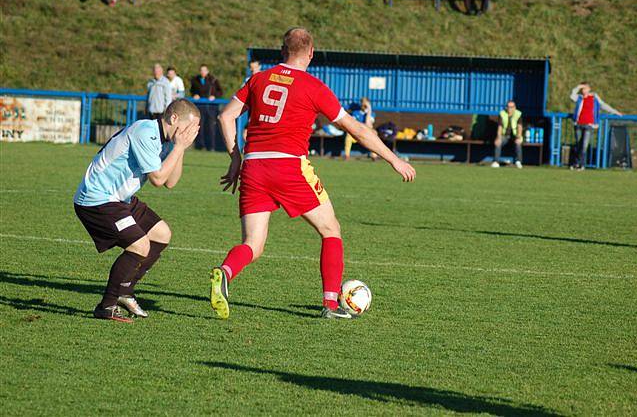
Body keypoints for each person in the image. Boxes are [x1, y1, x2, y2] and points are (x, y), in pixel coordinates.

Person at [211, 27, 416, 320]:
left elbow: (226, 115)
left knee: (253, 245)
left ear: (282, 51)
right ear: (311, 52)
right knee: (330, 230)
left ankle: (225, 271)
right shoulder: (313, 86)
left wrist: (235, 159)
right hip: (289, 166)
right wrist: (393, 159)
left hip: (254, 167)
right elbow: (355, 128)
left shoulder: (257, 79)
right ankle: (331, 305)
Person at [73, 99, 200, 322]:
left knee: (161, 233)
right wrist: (179, 147)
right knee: (140, 245)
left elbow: (171, 182)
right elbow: (159, 179)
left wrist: (181, 149)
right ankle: (107, 305)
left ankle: (125, 290)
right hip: (97, 199)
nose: (190, 134)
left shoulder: (167, 139)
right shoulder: (145, 131)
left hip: (120, 199)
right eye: (188, 128)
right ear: (173, 119)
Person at [569, 82, 622, 170]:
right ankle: (576, 163)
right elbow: (572, 95)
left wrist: (615, 112)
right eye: (582, 89)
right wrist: (578, 87)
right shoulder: (579, 98)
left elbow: (603, 105)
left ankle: (581, 164)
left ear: (589, 89)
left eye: (585, 88)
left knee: (584, 146)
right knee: (578, 145)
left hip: (588, 124)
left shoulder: (594, 98)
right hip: (578, 124)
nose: (584, 90)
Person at [190, 64, 224, 151]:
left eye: (204, 70)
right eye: (201, 70)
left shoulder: (213, 80)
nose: (203, 72)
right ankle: (201, 146)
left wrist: (214, 96)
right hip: (200, 107)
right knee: (200, 127)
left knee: (211, 127)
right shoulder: (195, 80)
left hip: (211, 108)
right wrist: (194, 95)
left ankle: (212, 146)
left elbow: (220, 92)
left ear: (207, 71)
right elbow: (192, 91)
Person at [492, 100, 523, 169]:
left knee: (518, 142)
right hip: (505, 136)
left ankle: (518, 161)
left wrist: (519, 136)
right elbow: (500, 127)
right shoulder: (502, 113)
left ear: (515, 107)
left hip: (515, 136)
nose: (510, 109)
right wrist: (498, 137)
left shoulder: (518, 114)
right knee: (498, 142)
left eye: (512, 107)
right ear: (506, 107)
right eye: (508, 107)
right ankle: (496, 162)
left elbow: (520, 127)